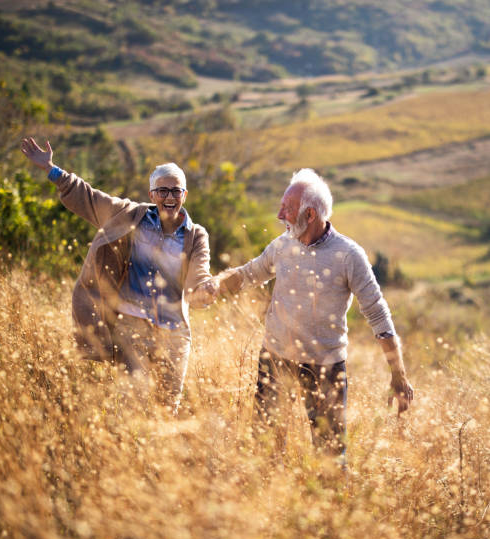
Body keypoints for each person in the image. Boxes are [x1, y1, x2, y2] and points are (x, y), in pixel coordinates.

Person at [202, 168, 413, 455]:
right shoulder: (282, 245)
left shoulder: (349, 256)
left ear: (310, 215)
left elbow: (378, 314)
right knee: (265, 451)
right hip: (275, 361)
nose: (279, 215)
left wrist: (398, 375)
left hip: (325, 369)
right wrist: (214, 285)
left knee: (330, 458)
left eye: (286, 209)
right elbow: (249, 274)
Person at [21, 137, 212, 413]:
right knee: (132, 403)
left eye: (175, 191)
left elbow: (200, 270)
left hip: (174, 333)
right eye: (163, 191)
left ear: (184, 195)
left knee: (167, 406)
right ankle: (127, 451)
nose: (169, 197)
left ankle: (155, 455)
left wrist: (206, 286)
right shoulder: (129, 215)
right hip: (132, 327)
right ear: (151, 195)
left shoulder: (196, 235)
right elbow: (88, 197)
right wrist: (51, 169)